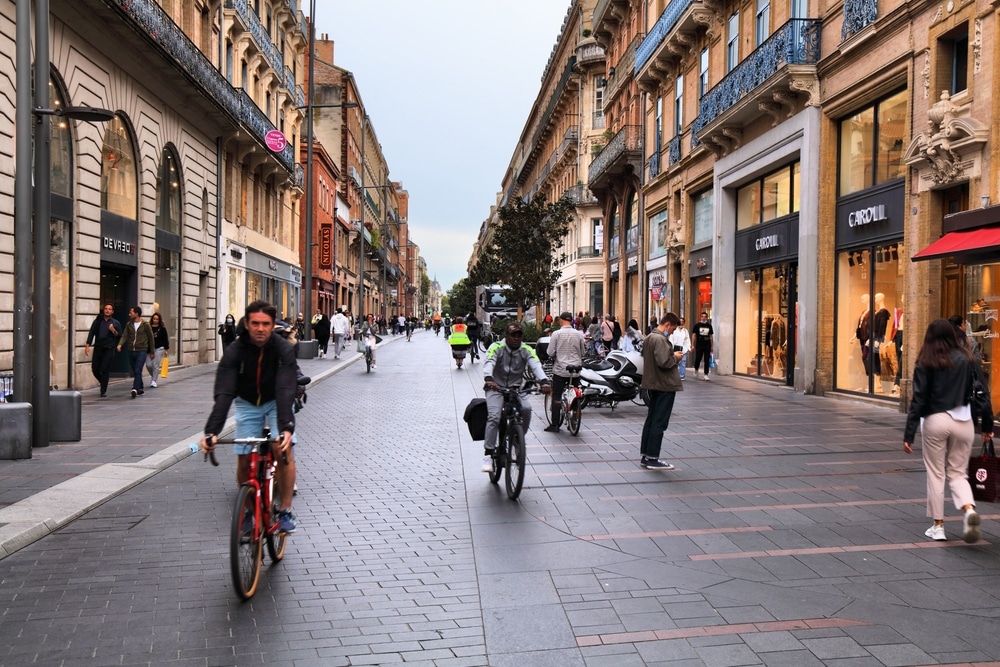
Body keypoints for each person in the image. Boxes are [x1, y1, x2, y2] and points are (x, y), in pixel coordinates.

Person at [199, 301, 297, 533]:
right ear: (247, 323)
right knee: (244, 458)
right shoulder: (235, 350)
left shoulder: (282, 349)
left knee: (282, 449)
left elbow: (285, 389)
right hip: (248, 403)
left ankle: (285, 510)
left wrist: (286, 428)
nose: (260, 329)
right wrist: (211, 431)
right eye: (255, 323)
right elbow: (224, 393)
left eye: (265, 324)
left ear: (273, 326)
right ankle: (250, 510)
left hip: (276, 401)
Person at [904, 318, 990, 543]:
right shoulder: (968, 358)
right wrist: (987, 426)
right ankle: (969, 510)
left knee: (936, 473)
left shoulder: (926, 360)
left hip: (936, 419)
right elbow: (982, 392)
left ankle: (938, 526)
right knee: (958, 472)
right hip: (964, 420)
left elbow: (918, 399)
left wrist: (909, 433)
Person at [481, 322, 552, 471]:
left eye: (519, 335)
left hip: (515, 389)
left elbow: (535, 365)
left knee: (526, 408)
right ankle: (488, 454)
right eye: (513, 335)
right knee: (494, 417)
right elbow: (489, 362)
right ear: (506, 336)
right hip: (495, 387)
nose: (516, 338)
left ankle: (518, 439)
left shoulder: (526, 349)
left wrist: (544, 381)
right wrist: (488, 378)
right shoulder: (497, 347)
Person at [639, 312, 684, 470]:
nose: (672, 332)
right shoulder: (659, 339)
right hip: (664, 384)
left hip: (654, 383)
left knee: (651, 420)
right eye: (672, 329)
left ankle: (646, 456)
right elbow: (664, 362)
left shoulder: (650, 337)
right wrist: (676, 357)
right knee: (659, 421)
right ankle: (653, 458)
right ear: (667, 325)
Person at [545, 311, 585, 432]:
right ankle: (573, 419)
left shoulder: (556, 334)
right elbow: (583, 353)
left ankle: (555, 424)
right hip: (575, 370)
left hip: (560, 370)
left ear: (561, 321)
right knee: (574, 392)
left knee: (557, 395)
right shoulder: (578, 334)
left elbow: (550, 352)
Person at [116, 305, 155, 399]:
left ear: (136, 314)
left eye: (131, 312)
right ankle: (140, 388)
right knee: (136, 371)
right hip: (131, 350)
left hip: (141, 350)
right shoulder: (129, 324)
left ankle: (135, 388)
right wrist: (120, 344)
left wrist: (152, 351)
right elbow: (125, 335)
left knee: (138, 369)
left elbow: (151, 338)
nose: (129, 314)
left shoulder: (145, 324)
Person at [85, 303, 122, 398]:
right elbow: (92, 332)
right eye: (106, 308)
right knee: (95, 369)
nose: (107, 310)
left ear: (112, 311)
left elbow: (119, 336)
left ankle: (103, 390)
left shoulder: (115, 322)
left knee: (104, 369)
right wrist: (88, 344)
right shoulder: (98, 321)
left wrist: (113, 330)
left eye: (110, 309)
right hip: (98, 347)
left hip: (109, 348)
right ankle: (104, 382)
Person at [145, 312, 169, 388]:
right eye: (154, 319)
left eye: (157, 319)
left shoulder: (162, 329)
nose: (155, 320)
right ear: (152, 319)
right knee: (148, 365)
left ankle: (154, 381)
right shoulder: (148, 327)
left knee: (155, 365)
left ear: (159, 320)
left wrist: (166, 349)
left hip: (159, 348)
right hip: (149, 349)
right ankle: (154, 376)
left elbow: (165, 339)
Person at [691, 311, 715, 380]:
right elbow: (694, 335)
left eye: (705, 317)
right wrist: (692, 345)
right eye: (702, 316)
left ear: (707, 318)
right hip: (699, 344)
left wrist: (712, 346)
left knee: (707, 359)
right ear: (700, 317)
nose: (704, 318)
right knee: (698, 358)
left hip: (707, 344)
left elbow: (711, 336)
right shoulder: (697, 325)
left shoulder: (709, 326)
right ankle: (696, 369)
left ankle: (706, 374)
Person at [669, 316, 692, 380]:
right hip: (675, 348)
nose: (681, 323)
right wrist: (671, 347)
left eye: (682, 322)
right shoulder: (674, 330)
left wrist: (689, 348)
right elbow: (671, 338)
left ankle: (682, 375)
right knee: (675, 362)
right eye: (680, 322)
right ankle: (674, 375)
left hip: (683, 348)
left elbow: (687, 339)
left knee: (683, 362)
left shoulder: (685, 331)